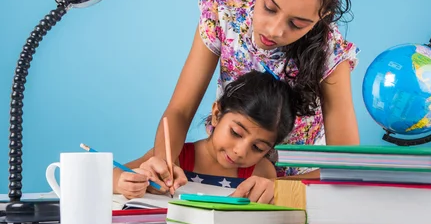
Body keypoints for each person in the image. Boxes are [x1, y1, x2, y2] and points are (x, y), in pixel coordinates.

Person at [133, 0, 360, 197]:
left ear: (323, 16)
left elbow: (347, 163)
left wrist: (274, 186)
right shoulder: (223, 15)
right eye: (270, 7)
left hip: (299, 188)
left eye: (297, 24)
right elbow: (180, 110)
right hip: (227, 174)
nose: (275, 30)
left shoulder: (329, 52)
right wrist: (166, 162)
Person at [114, 70, 303, 204]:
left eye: (258, 148)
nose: (240, 151)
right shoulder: (176, 157)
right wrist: (124, 182)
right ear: (216, 114)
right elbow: (110, 176)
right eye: (236, 133)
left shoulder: (260, 171)